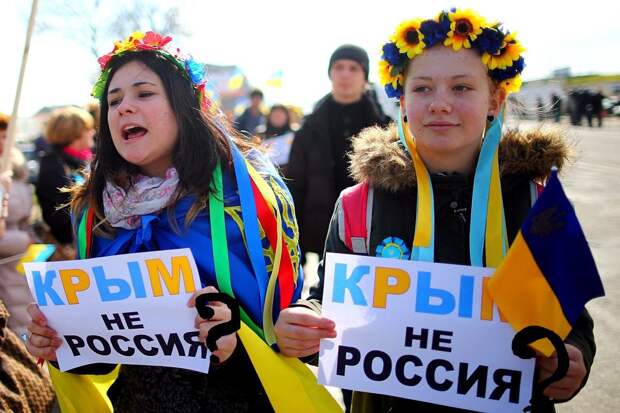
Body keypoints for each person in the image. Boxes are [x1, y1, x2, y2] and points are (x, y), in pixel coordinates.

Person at [275, 9, 595, 412]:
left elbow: (572, 321)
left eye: (461, 87)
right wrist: (305, 321)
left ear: (495, 99)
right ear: (403, 102)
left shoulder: (538, 205)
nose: (440, 104)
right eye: (423, 88)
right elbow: (328, 302)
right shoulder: (359, 204)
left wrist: (572, 358)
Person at [24, 31, 302, 412]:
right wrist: (59, 343)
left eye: (144, 93)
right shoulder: (95, 211)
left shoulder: (246, 197)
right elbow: (107, 353)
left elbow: (282, 336)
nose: (124, 108)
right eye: (114, 100)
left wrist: (235, 347)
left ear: (183, 105)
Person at [287, 44, 391, 261]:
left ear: (365, 76)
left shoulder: (385, 128)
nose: (345, 74)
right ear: (330, 73)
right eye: (339, 67)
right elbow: (295, 185)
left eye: (353, 68)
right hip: (320, 231)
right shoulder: (309, 128)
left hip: (374, 232)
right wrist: (294, 243)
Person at [35, 106, 94, 259]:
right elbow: (56, 211)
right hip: (70, 246)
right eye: (88, 129)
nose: (93, 132)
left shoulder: (82, 160)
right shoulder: (53, 164)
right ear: (75, 133)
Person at [0, 112, 35, 337]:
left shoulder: (15, 170)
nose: (3, 142)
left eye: (6, 136)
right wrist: (22, 240)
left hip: (20, 262)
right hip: (6, 264)